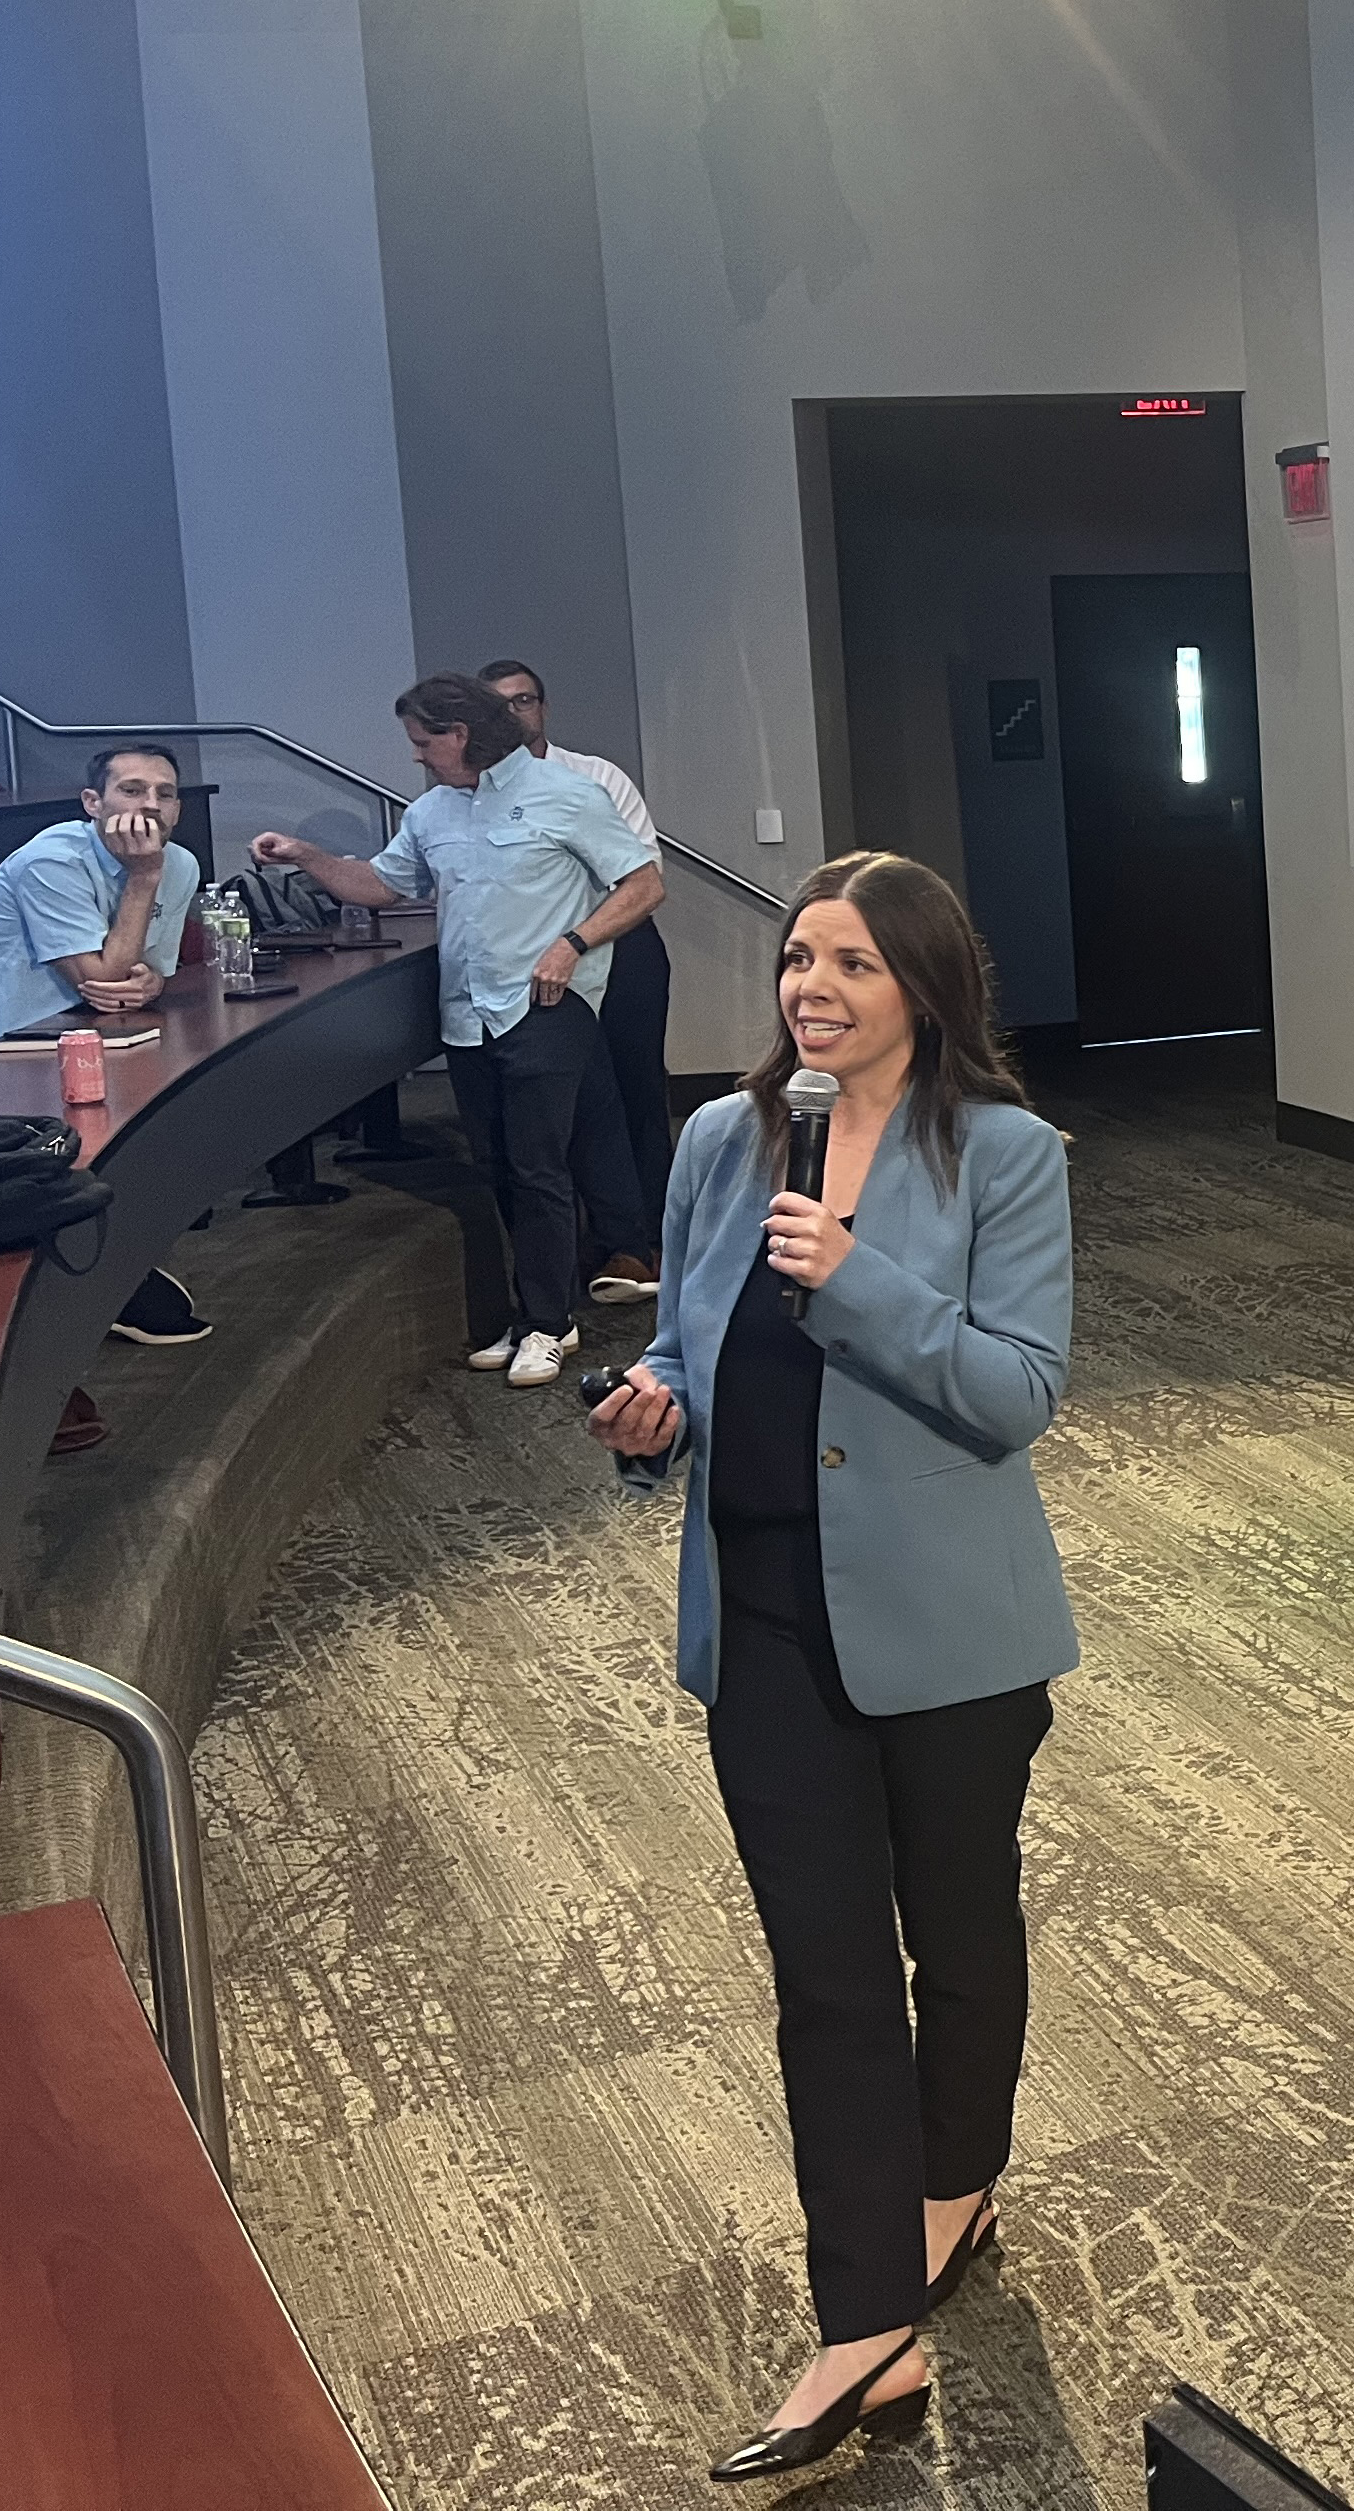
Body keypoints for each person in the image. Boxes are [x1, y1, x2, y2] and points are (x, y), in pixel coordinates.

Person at [585, 851, 1076, 2480]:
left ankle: (962, 2168)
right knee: (827, 1974)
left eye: (852, 960)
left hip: (951, 1635)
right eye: (800, 954)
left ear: (923, 986)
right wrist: (652, 1404)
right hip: (768, 1625)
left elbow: (1014, 1391)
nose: (812, 983)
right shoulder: (726, 1139)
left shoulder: (1004, 1153)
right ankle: (866, 2320)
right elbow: (683, 1332)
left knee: (958, 1925)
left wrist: (853, 1278)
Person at [253, 674, 661, 1387]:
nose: (415, 756)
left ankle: (549, 1323)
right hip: (468, 1016)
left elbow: (645, 884)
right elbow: (384, 884)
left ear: (459, 736)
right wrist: (306, 857)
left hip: (546, 1006)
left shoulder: (566, 795)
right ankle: (536, 1310)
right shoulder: (432, 811)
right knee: (498, 1164)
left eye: (421, 741)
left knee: (539, 1166)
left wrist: (572, 944)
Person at [0, 741, 215, 1347]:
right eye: (133, 790)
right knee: (87, 1145)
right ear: (93, 802)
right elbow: (104, 984)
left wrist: (151, 979)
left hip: (89, 1035)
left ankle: (116, 1271)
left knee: (160, 1111)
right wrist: (143, 878)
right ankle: (84, 1289)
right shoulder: (51, 861)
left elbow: (146, 976)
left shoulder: (182, 864)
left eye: (166, 795)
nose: (151, 807)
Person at [482, 658, 673, 1310]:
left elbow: (638, 879)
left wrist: (574, 931)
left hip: (617, 948)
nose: (514, 714)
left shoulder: (595, 778)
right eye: (498, 705)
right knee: (584, 1102)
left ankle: (646, 1241)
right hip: (536, 962)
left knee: (636, 1089)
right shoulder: (474, 797)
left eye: (525, 700)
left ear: (543, 706)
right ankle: (600, 1241)